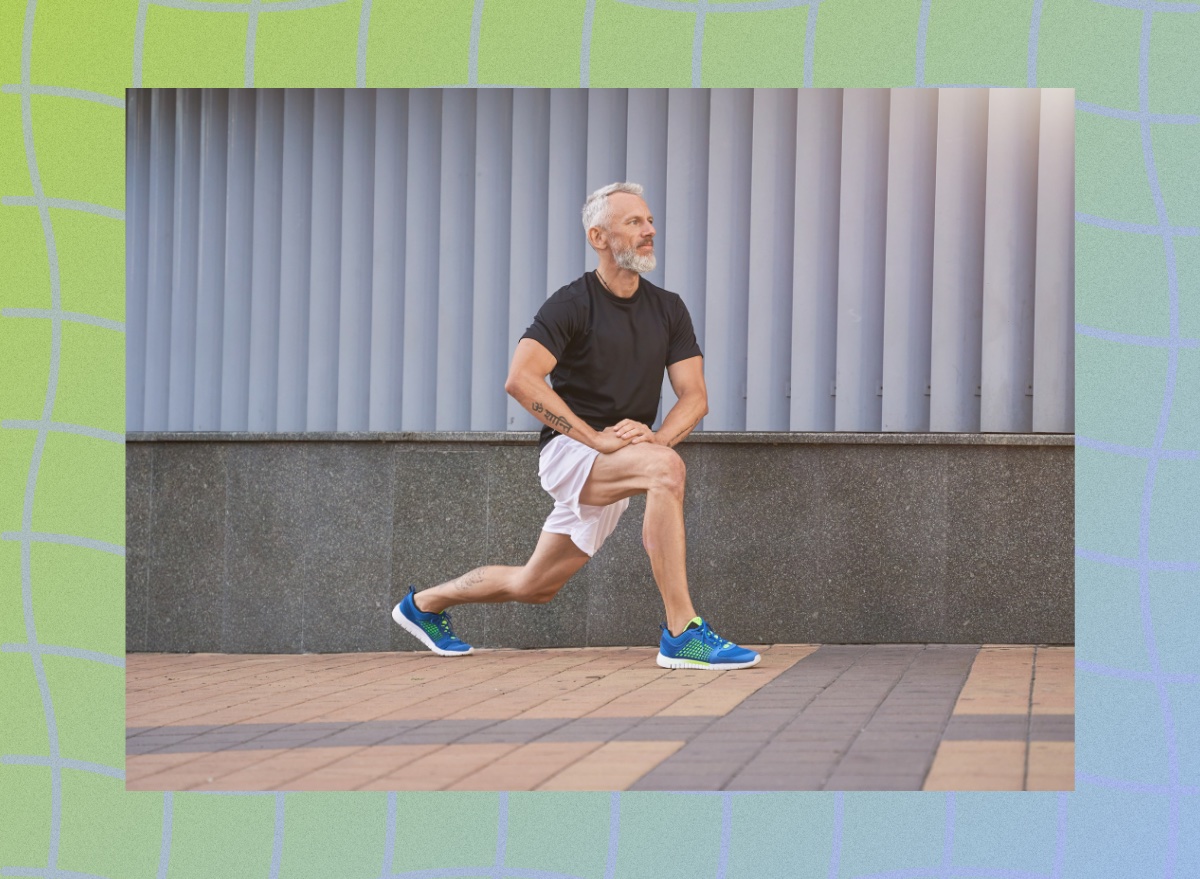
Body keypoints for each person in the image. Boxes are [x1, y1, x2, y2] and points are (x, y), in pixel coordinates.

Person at [391, 182, 759, 670]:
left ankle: (424, 605)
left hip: (624, 459)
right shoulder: (571, 303)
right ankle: (682, 634)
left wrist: (658, 437)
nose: (650, 230)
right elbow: (521, 380)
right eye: (634, 222)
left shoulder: (668, 308)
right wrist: (596, 438)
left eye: (649, 221)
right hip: (569, 454)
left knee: (535, 585)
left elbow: (695, 397)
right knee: (666, 471)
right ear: (598, 236)